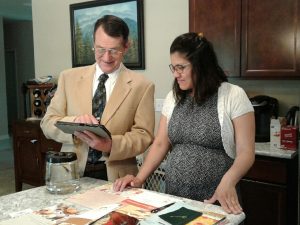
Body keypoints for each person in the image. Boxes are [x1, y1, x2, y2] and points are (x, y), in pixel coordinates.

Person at [113, 32, 255, 215]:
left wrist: (228, 182)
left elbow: (246, 152)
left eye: (181, 67)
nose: (176, 74)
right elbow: (160, 143)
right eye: (173, 67)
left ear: (201, 66)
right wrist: (139, 179)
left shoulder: (233, 95)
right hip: (175, 197)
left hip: (217, 198)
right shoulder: (173, 97)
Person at [40, 15, 155, 182]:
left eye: (114, 50)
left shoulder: (142, 86)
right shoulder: (68, 77)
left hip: (117, 178)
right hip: (70, 171)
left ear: (127, 46)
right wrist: (75, 123)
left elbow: (144, 136)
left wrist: (111, 145)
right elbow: (47, 123)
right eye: (100, 49)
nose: (107, 58)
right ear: (93, 45)